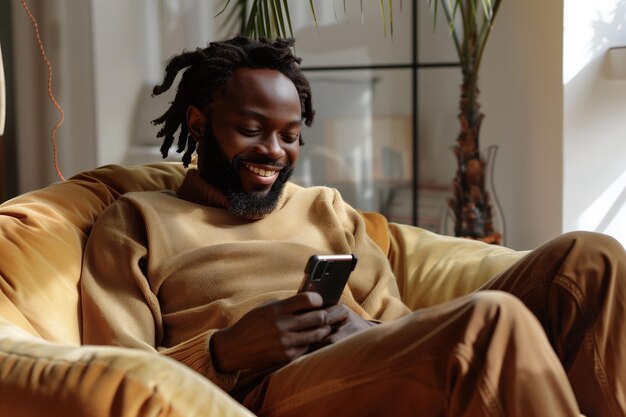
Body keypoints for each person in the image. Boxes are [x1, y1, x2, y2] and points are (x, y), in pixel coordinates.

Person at [80, 36, 626, 417]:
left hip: (373, 362)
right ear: (199, 124)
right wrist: (225, 350)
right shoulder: (135, 222)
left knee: (591, 257)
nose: (274, 151)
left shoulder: (325, 208)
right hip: (267, 394)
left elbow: (399, 322)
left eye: (291, 135)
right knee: (490, 321)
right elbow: (116, 373)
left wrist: (372, 332)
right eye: (251, 129)